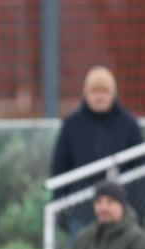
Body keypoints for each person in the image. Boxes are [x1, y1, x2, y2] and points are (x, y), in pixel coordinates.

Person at [51, 66, 143, 237]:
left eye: (104, 91)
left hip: (121, 215)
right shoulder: (72, 126)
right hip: (81, 213)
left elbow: (139, 171)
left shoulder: (129, 125)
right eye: (95, 91)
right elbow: (60, 168)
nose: (99, 96)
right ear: (86, 93)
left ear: (113, 93)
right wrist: (61, 207)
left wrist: (138, 209)